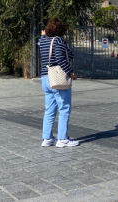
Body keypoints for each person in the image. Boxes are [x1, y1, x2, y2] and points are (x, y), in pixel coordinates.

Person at [39, 18, 79, 148]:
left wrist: (43, 36)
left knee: (50, 109)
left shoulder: (43, 41)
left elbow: (63, 55)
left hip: (45, 78)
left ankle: (47, 138)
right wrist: (71, 72)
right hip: (57, 78)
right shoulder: (59, 41)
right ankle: (62, 139)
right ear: (61, 31)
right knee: (64, 108)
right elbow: (64, 58)